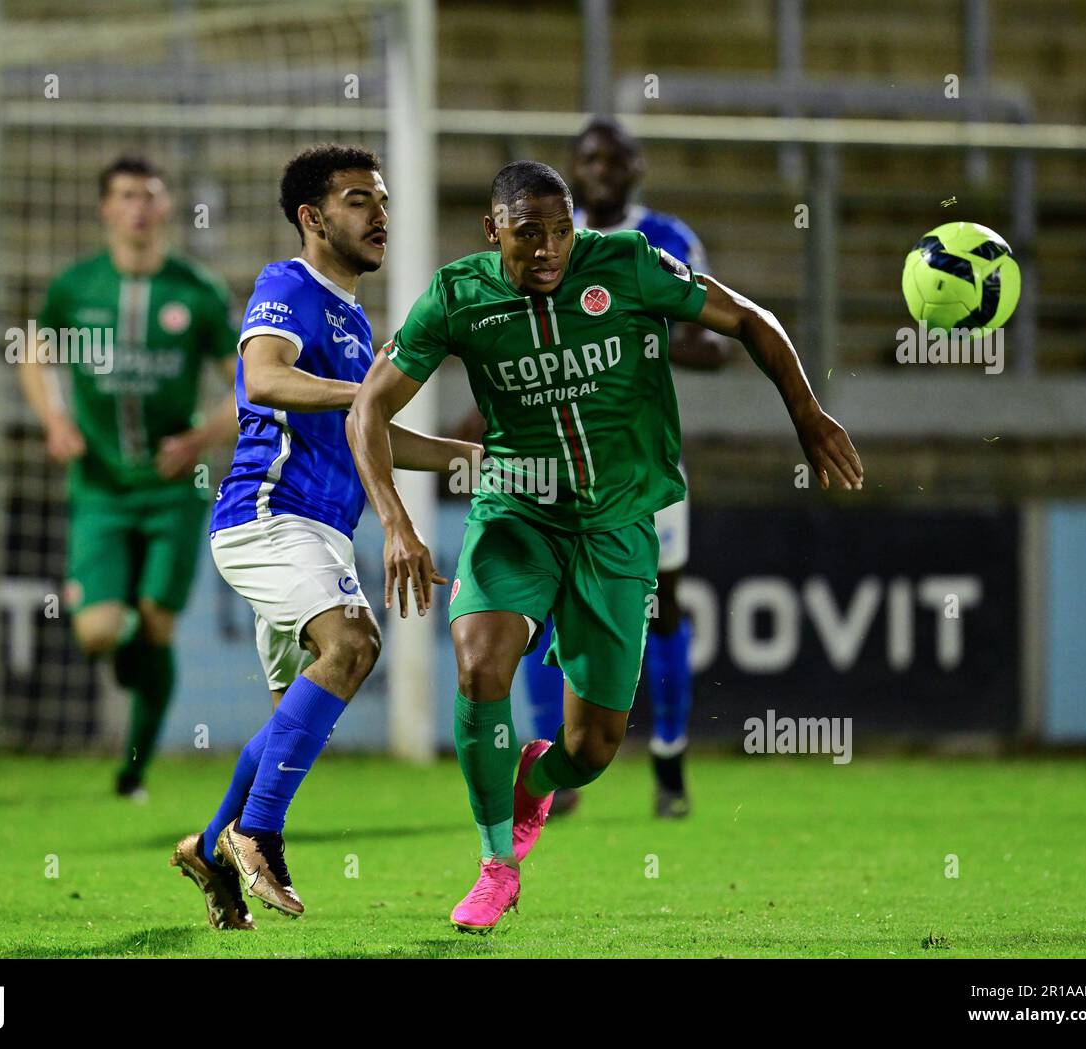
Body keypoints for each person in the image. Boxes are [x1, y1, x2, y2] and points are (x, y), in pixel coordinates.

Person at [348, 160, 863, 933]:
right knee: (481, 663)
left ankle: (541, 779)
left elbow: (751, 320)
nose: (550, 249)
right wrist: (394, 522)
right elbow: (367, 410)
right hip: (516, 511)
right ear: (493, 232)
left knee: (593, 747)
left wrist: (809, 414)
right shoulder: (458, 296)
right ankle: (497, 865)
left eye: (561, 232)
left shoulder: (625, 265)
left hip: (618, 525)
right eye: (529, 235)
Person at [169, 144, 480, 930]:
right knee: (354, 644)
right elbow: (265, 379)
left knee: (291, 721)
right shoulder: (288, 284)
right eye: (356, 200)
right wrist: (368, 392)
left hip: (320, 535)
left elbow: (364, 429)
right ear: (312, 218)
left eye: (382, 199)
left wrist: (463, 456)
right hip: (268, 516)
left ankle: (209, 846)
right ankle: (257, 833)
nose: (379, 213)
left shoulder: (354, 315)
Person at [523, 116, 732, 818]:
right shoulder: (547, 236)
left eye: (616, 158)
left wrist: (632, 336)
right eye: (590, 158)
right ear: (574, 171)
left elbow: (716, 346)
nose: (603, 168)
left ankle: (669, 768)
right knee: (547, 603)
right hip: (554, 454)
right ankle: (559, 766)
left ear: (637, 168)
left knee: (658, 605)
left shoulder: (666, 241)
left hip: (643, 460)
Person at [20, 154, 239, 801]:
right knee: (97, 631)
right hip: (100, 485)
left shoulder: (196, 290)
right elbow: (34, 353)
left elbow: (248, 385)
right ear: (105, 208)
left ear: (166, 208)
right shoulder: (75, 287)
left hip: (175, 487)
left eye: (149, 195)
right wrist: (54, 418)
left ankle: (133, 767)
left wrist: (202, 433)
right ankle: (128, 656)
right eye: (125, 195)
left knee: (155, 623)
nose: (138, 207)